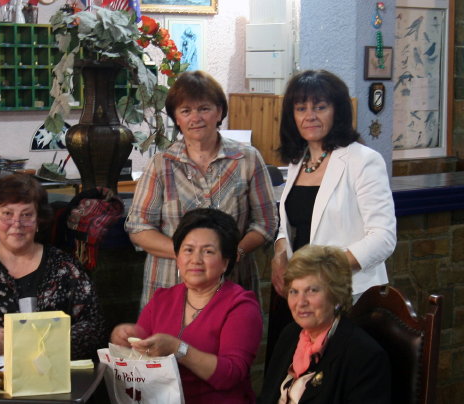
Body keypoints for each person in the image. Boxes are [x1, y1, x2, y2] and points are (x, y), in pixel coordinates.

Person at [266, 69, 396, 367]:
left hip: (348, 296)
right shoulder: (299, 161)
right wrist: (279, 252)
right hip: (300, 298)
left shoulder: (363, 160)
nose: (309, 116)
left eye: (320, 107)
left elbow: (383, 237)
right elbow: (290, 225)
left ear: (337, 111)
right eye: (301, 108)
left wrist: (323, 272)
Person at [126, 70, 278, 307]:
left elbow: (266, 222)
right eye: (186, 111)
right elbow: (138, 227)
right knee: (168, 333)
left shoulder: (247, 159)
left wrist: (233, 253)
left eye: (204, 109)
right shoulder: (160, 164)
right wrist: (189, 256)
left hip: (233, 281)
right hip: (170, 284)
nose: (195, 118)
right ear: (176, 118)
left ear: (219, 112)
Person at [0, 173, 105, 360]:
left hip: (53, 373)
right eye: (7, 214)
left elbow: (95, 328)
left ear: (39, 220)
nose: (17, 223)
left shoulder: (65, 268)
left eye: (26, 215)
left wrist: (44, 344)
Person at [112, 208, 262, 403]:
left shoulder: (241, 305)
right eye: (188, 250)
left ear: (225, 262)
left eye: (208, 251)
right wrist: (127, 338)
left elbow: (231, 374)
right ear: (178, 257)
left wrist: (178, 349)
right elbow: (142, 352)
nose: (195, 260)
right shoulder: (162, 299)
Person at [258, 245, 390, 403]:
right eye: (294, 291)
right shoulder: (290, 334)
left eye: (312, 291)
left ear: (336, 295)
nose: (301, 302)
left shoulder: (363, 356)